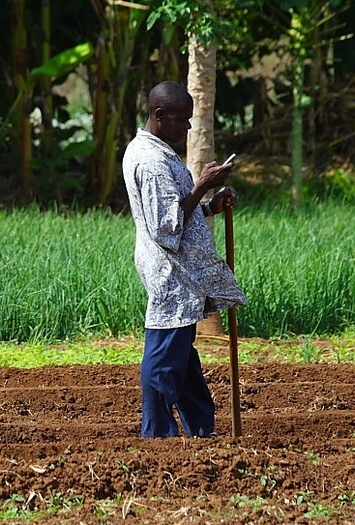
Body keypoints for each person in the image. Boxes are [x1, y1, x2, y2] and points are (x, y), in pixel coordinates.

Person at [122, 81, 246, 438]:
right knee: (164, 360)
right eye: (181, 121)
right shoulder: (150, 161)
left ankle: (201, 429)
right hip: (171, 275)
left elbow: (177, 212)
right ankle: (158, 434)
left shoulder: (158, 151)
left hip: (182, 276)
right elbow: (166, 229)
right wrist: (202, 185)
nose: (188, 128)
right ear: (159, 117)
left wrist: (210, 205)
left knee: (182, 358)